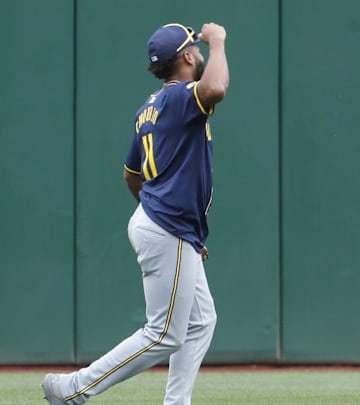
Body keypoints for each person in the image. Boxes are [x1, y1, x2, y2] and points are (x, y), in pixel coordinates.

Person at [42, 22, 229, 405]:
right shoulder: (181, 98)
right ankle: (74, 388)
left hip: (164, 223)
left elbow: (132, 175)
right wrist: (220, 41)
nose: (201, 51)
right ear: (189, 56)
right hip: (166, 225)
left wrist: (169, 221)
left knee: (200, 322)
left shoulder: (150, 108)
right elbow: (216, 87)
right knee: (163, 334)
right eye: (196, 48)